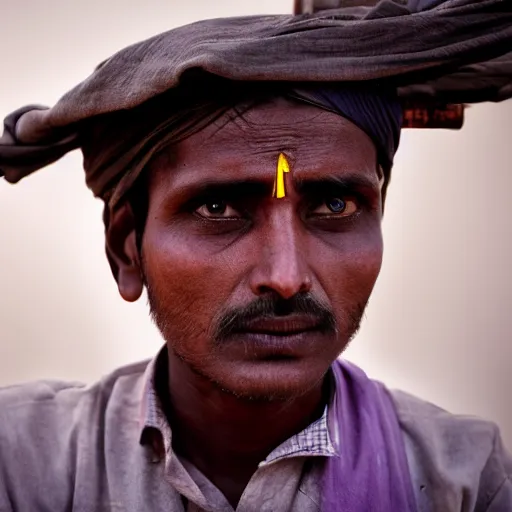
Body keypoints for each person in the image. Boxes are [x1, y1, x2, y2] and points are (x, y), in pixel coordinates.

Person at [0, 1, 511, 511]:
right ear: (125, 249)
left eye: (336, 205)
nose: (286, 278)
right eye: (217, 207)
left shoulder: (466, 483)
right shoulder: (20, 465)